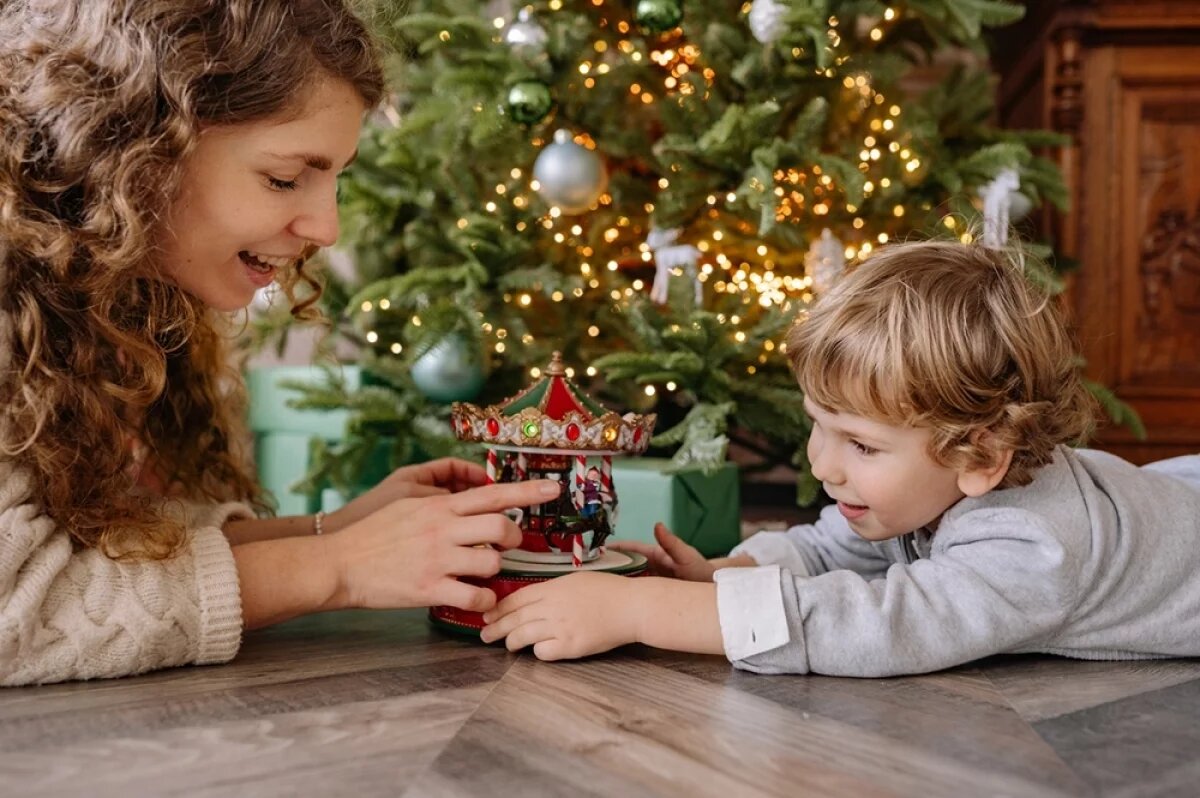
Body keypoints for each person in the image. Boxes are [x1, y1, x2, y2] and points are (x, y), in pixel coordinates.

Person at [0, 0, 558, 686]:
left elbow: (95, 535)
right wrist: (339, 568)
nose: (327, 227)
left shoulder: (106, 297)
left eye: (335, 178)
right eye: (285, 178)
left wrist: (334, 531)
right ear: (139, 149)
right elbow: (19, 612)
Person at [480, 238, 1200, 676]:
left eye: (861, 444)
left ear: (980, 455)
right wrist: (725, 575)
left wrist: (644, 609)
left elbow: (880, 625)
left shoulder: (1034, 548)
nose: (823, 465)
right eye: (818, 425)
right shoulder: (934, 485)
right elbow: (835, 550)